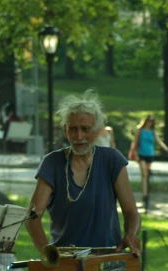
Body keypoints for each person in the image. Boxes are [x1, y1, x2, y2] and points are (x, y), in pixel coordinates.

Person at [25, 89, 141, 257]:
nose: (79, 136)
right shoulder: (52, 163)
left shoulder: (112, 160)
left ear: (97, 131)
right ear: (65, 130)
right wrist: (48, 255)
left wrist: (131, 234)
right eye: (73, 129)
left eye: (85, 129)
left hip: (107, 259)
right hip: (66, 261)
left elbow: (131, 212)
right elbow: (32, 218)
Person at [131, 114, 168, 211]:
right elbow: (135, 142)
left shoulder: (153, 132)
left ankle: (146, 191)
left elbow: (158, 140)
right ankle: (144, 194)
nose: (150, 123)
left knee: (146, 174)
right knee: (144, 173)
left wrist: (165, 148)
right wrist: (135, 153)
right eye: (148, 120)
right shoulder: (140, 130)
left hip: (150, 154)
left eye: (151, 121)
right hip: (141, 154)